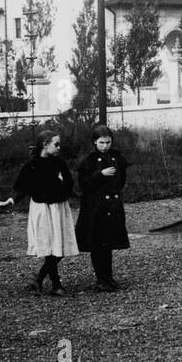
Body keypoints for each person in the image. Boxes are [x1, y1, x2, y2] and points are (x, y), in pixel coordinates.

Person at [0, 131, 78, 295]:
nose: (59, 147)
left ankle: (39, 280)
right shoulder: (31, 166)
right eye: (56, 144)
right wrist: (10, 201)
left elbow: (69, 184)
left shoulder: (59, 163)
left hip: (59, 208)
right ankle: (55, 285)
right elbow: (22, 188)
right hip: (42, 209)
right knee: (49, 246)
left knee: (60, 246)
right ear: (45, 144)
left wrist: (78, 194)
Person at [75, 125, 131, 291]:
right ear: (95, 142)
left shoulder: (116, 156)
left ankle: (109, 278)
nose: (105, 146)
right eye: (101, 142)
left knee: (109, 242)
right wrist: (100, 174)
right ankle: (101, 279)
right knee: (97, 243)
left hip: (112, 206)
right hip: (95, 207)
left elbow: (121, 179)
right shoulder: (89, 160)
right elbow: (83, 184)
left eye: (108, 142)